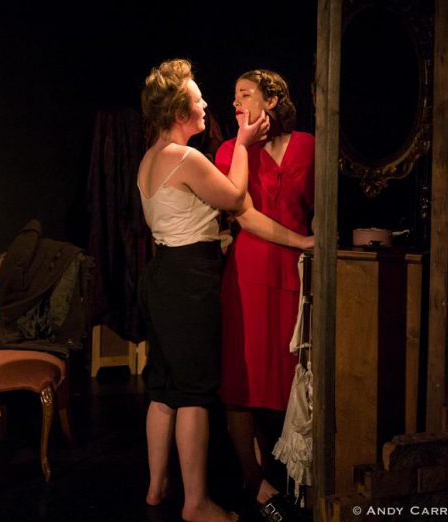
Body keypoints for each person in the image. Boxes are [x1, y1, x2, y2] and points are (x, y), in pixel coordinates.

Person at [137, 58, 311, 522]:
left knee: (163, 387)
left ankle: (157, 487)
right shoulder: (184, 157)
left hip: (162, 274)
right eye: (197, 99)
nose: (208, 104)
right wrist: (246, 146)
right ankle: (196, 503)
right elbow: (236, 200)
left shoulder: (152, 156)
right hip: (188, 277)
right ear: (179, 112)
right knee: (194, 391)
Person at [214, 69, 315, 513]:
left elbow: (320, 207)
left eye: (245, 94)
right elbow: (245, 215)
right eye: (233, 96)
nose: (235, 103)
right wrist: (303, 241)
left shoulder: (309, 147)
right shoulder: (227, 152)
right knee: (244, 382)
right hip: (249, 275)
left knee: (294, 376)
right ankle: (252, 480)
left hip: (296, 278)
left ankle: (299, 474)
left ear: (271, 100)